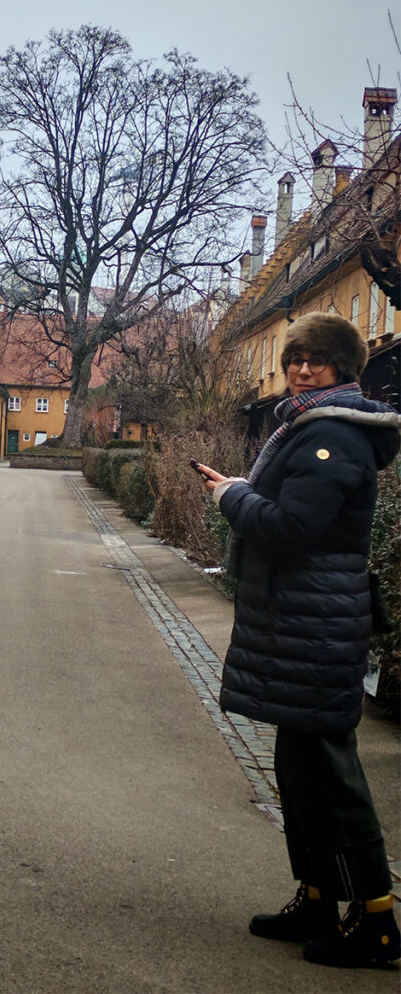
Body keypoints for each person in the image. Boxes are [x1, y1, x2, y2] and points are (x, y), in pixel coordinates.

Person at [198, 311, 401, 970]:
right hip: (301, 619)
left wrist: (232, 496)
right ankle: (317, 898)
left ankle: (376, 919)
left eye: (316, 359)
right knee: (299, 770)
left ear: (344, 368)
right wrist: (239, 492)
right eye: (294, 359)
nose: (301, 369)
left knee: (331, 776)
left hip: (317, 623)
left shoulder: (332, 435)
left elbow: (291, 528)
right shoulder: (307, 426)